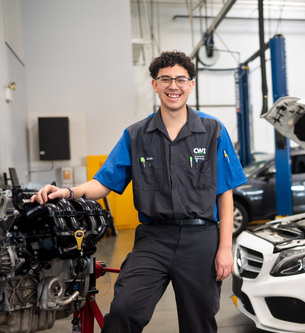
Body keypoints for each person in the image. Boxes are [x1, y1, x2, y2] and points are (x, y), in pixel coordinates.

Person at [31, 50, 247, 333]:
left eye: (181, 79)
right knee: (124, 311)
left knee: (199, 322)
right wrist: (68, 192)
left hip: (201, 238)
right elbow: (104, 183)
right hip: (154, 239)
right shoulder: (136, 135)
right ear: (154, 84)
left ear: (191, 84)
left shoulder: (213, 130)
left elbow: (225, 193)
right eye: (165, 79)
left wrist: (224, 248)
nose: (174, 86)